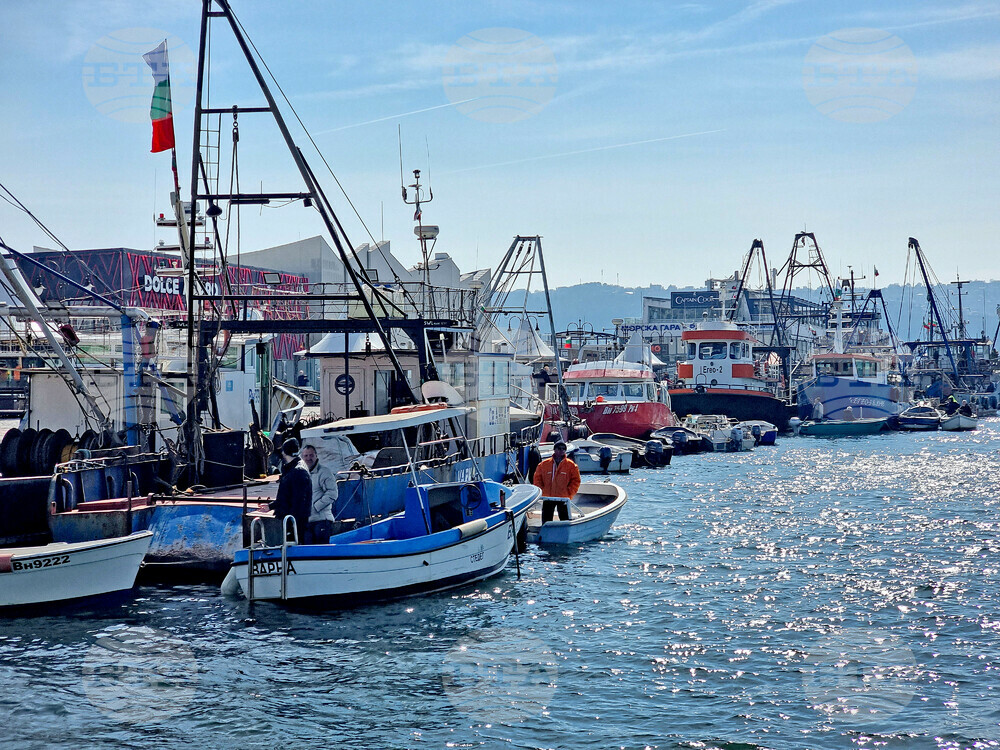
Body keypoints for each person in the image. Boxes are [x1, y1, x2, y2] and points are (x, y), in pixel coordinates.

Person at [265, 438, 312, 542]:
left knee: (294, 544)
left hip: (294, 522)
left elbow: (298, 501)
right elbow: (287, 496)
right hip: (291, 519)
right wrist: (271, 506)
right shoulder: (294, 469)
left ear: (284, 452)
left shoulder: (297, 471)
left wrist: (292, 521)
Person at [532, 440, 581, 523]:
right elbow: (537, 479)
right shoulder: (543, 464)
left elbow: (576, 481)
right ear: (554, 449)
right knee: (546, 520)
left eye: (563, 449)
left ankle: (565, 534)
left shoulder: (571, 465)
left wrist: (569, 493)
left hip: (563, 497)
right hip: (548, 497)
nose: (561, 450)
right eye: (559, 448)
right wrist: (542, 491)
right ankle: (546, 534)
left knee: (565, 520)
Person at [300, 443, 338, 543]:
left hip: (322, 520)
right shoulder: (300, 474)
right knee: (307, 553)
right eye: (306, 456)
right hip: (306, 522)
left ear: (316, 456)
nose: (308, 458)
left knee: (321, 552)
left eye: (311, 455)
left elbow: (332, 493)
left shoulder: (325, 472)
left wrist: (316, 507)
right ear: (302, 458)